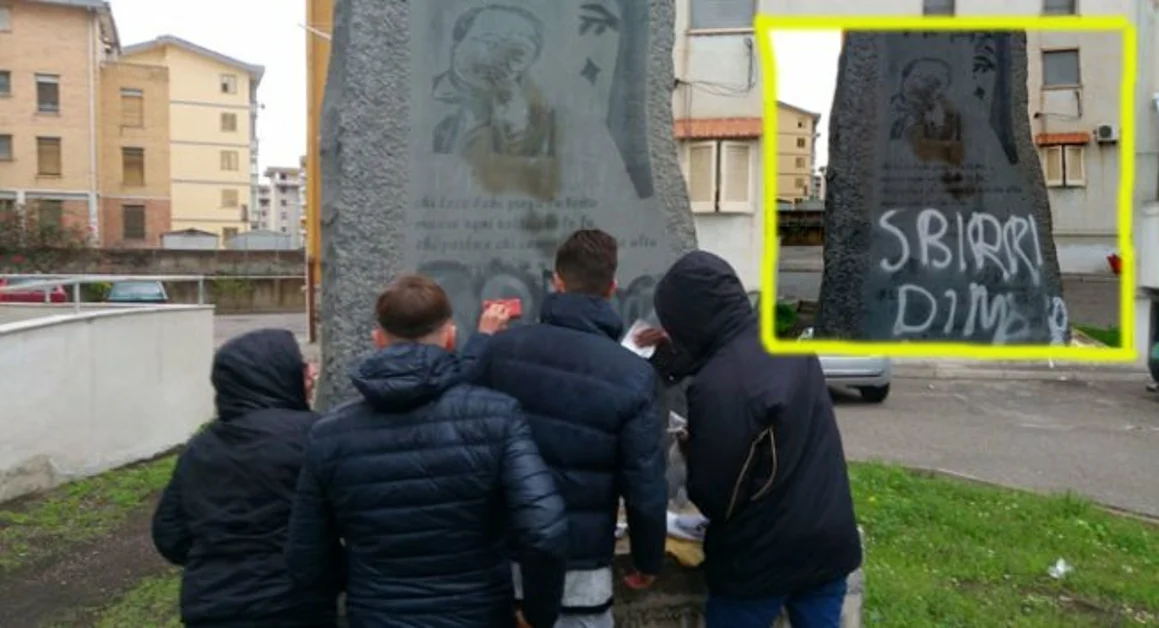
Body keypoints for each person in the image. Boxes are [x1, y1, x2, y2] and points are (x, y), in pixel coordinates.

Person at [286, 275, 568, 628]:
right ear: (450, 337)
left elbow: (305, 555)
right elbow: (543, 530)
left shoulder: (328, 434)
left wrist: (361, 589)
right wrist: (538, 613)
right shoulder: (498, 416)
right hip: (478, 613)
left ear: (378, 340)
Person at [636, 251, 862, 628]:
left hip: (761, 561)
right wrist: (671, 357)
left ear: (693, 317)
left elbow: (715, 497)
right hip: (827, 542)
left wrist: (694, 449)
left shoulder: (720, 386)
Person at [474, 229, 668, 627]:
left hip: (506, 558)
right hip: (581, 571)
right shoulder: (632, 375)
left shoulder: (500, 351)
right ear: (612, 288)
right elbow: (644, 482)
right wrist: (648, 557)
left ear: (557, 281)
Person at [152, 328, 342, 628]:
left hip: (211, 606)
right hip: (294, 606)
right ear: (278, 374)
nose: (312, 371)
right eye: (302, 365)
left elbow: (170, 536)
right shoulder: (316, 436)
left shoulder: (200, 448)